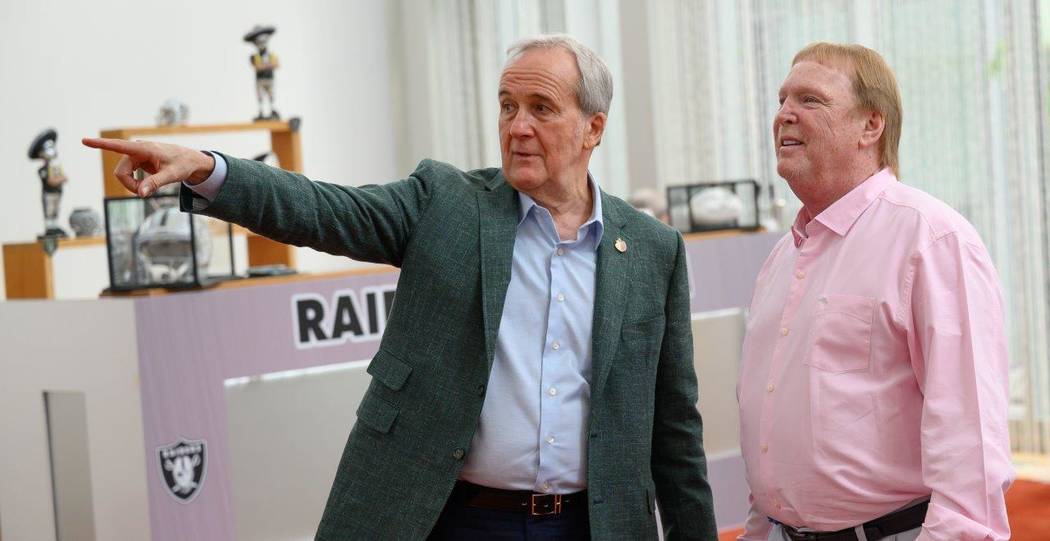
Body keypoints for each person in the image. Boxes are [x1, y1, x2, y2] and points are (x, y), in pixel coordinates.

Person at [84, 34, 718, 540]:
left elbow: (675, 431)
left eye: (542, 108)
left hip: (592, 523)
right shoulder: (445, 203)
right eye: (506, 106)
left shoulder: (651, 251)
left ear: (594, 128)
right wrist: (206, 169)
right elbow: (322, 208)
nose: (517, 125)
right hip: (448, 514)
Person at [737, 42, 1012, 541]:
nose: (783, 115)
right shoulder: (782, 258)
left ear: (871, 125)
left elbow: (973, 452)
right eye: (781, 100)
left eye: (809, 100)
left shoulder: (931, 239)